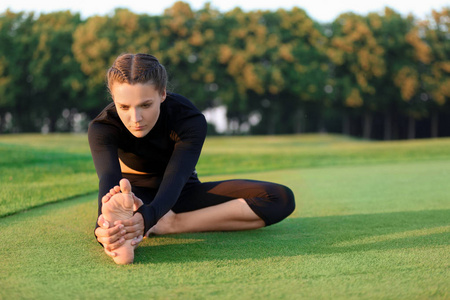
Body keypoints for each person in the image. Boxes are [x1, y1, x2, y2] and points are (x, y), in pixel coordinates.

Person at [88, 53, 295, 264]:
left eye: (146, 105)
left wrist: (150, 217)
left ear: (162, 94)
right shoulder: (103, 127)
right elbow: (109, 179)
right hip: (134, 195)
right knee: (119, 203)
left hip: (181, 190)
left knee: (280, 198)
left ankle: (170, 224)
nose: (136, 118)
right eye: (124, 107)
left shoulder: (188, 119)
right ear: (113, 99)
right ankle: (125, 229)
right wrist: (101, 229)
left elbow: (176, 177)